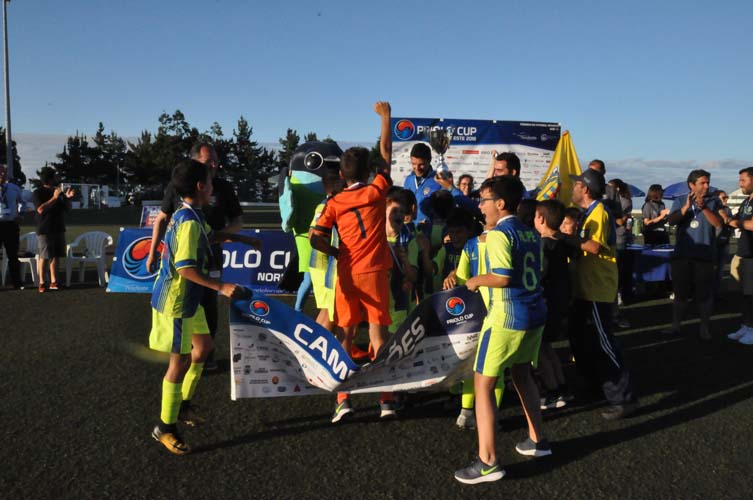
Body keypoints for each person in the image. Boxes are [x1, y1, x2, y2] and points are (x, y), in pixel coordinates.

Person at [454, 176, 550, 485]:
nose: (480, 206)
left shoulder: (498, 234)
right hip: (535, 313)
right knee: (522, 374)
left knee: (482, 384)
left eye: (483, 200)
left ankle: (487, 461)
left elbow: (502, 277)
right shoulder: (530, 232)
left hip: (507, 317)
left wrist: (475, 280)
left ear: (500, 203)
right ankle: (537, 439)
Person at [149, 159, 246, 455]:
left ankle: (183, 405)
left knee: (203, 349)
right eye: (211, 181)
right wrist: (221, 286)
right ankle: (164, 427)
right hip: (177, 300)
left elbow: (211, 237)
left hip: (189, 297)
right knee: (178, 363)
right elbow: (185, 268)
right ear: (201, 186)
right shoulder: (189, 221)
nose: (214, 186)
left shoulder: (191, 214)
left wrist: (243, 239)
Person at [309, 101, 396, 422]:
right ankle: (386, 400)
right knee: (378, 336)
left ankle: (343, 400)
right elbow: (386, 154)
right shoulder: (376, 191)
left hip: (347, 273)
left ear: (342, 175)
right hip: (374, 272)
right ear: (367, 172)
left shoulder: (334, 202)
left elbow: (315, 239)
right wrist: (386, 118)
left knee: (345, 336)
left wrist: (336, 253)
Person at [146, 142, 243, 371]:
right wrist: (153, 252)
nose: (214, 165)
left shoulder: (220, 190)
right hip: (182, 273)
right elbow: (163, 220)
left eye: (216, 160)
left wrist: (219, 239)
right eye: (209, 161)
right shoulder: (184, 204)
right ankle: (183, 359)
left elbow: (235, 222)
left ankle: (204, 356)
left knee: (207, 306)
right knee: (186, 304)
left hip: (210, 257)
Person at [568, 169, 637, 420]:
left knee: (604, 343)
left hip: (597, 288)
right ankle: (597, 386)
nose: (573, 188)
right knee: (581, 340)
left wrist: (563, 237)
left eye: (576, 184)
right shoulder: (590, 212)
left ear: (585, 189)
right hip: (586, 288)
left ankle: (623, 399)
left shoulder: (598, 212)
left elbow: (594, 247)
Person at [666, 169, 722, 340]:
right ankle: (676, 325)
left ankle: (704, 328)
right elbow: (672, 221)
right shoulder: (680, 200)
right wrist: (685, 208)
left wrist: (703, 207)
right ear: (691, 185)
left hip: (704, 255)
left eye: (707, 182)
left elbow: (718, 224)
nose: (706, 186)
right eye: (702, 183)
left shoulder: (714, 201)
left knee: (704, 295)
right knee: (680, 294)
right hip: (682, 254)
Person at [533, 199, 575, 409]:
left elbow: (540, 274)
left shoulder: (543, 245)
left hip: (546, 302)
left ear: (540, 219)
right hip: (559, 302)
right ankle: (562, 388)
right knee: (548, 347)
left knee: (540, 349)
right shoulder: (561, 244)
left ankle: (552, 391)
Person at [32, 167, 75, 293]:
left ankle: (54, 282)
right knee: (44, 256)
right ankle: (41, 282)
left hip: (58, 227)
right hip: (45, 228)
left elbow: (67, 209)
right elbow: (40, 209)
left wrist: (68, 198)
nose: (57, 178)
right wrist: (54, 198)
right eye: (55, 176)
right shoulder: (38, 192)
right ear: (50, 179)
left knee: (56, 255)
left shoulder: (58, 191)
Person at [726, 167, 753, 344]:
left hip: (752, 255)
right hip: (743, 252)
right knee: (743, 294)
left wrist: (735, 222)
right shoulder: (746, 202)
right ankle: (746, 325)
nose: (740, 184)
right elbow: (733, 219)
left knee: (751, 295)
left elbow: (751, 225)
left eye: (743, 180)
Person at [0, 164, 26, 289]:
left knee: (13, 255)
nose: (2, 174)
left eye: (4, 172)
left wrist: (21, 214)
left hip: (11, 225)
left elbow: (23, 203)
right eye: (0, 172)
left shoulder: (14, 188)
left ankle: (17, 282)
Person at [403, 142, 442, 224]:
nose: (417, 168)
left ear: (429, 160)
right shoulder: (408, 180)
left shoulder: (439, 180)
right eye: (414, 164)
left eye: (421, 164)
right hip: (409, 229)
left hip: (431, 230)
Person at [714, 190, 733, 296]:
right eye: (724, 197)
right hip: (713, 244)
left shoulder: (728, 209)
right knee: (710, 270)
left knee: (720, 270)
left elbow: (729, 223)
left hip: (724, 243)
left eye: (727, 197)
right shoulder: (711, 209)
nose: (726, 199)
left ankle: (716, 293)